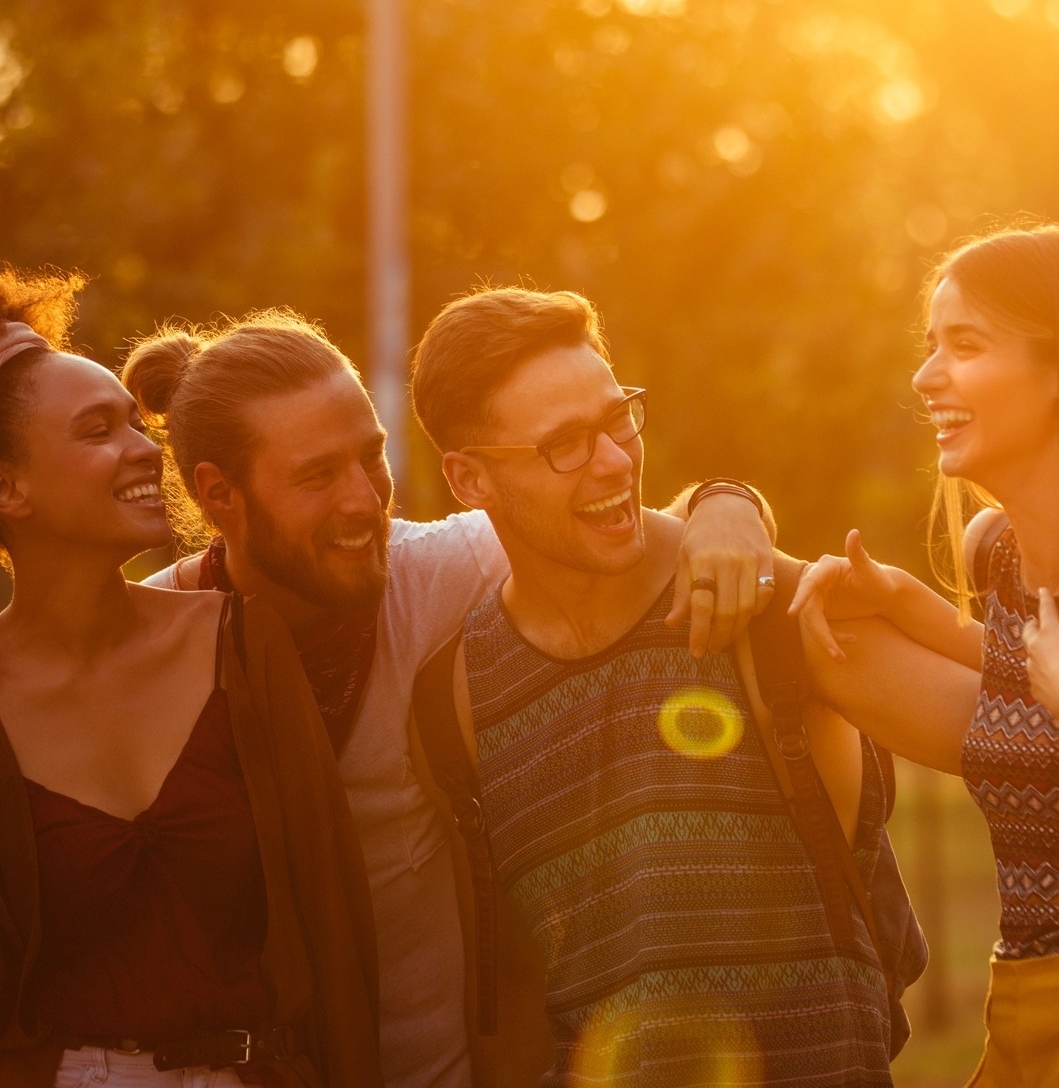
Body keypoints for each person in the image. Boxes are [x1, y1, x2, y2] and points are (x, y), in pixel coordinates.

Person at [121, 310, 777, 1088]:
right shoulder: (150, 647)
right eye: (317, 476)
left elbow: (622, 528)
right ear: (219, 495)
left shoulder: (438, 572)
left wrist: (727, 505)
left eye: (371, 459)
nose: (364, 502)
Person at [409, 285, 896, 1087]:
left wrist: (728, 500)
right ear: (469, 481)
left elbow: (989, 722)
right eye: (563, 443)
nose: (612, 460)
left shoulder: (760, 600)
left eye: (615, 418)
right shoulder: (450, 701)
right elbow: (517, 988)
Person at [0, 268, 382, 1088]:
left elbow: (336, 941)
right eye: (98, 430)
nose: (145, 448)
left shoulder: (239, 642)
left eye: (137, 424)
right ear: (8, 488)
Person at [790, 223, 1059, 1088]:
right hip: (1019, 1010)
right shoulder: (1001, 560)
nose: (925, 375)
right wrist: (914, 606)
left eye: (966, 346)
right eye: (930, 344)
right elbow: (1024, 671)